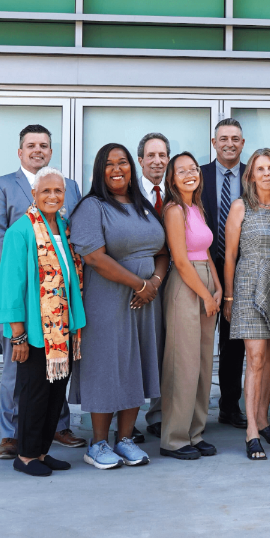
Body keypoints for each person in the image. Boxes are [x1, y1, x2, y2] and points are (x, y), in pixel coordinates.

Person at [0, 124, 85, 460]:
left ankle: (55, 428)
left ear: (51, 151)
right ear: (20, 151)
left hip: (59, 303)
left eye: (44, 145)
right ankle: (13, 435)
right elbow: (0, 240)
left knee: (57, 369)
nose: (37, 150)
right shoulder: (0, 186)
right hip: (22, 293)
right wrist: (34, 274)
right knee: (19, 367)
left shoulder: (68, 186)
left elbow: (74, 235)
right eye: (31, 145)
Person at [68, 143, 169, 470]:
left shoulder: (143, 206)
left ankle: (125, 439)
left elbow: (163, 251)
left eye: (122, 163)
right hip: (106, 301)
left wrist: (153, 282)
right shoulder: (92, 207)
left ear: (131, 167)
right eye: (109, 164)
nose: (117, 169)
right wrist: (139, 284)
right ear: (100, 170)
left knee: (136, 364)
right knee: (107, 366)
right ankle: (98, 443)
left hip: (145, 302)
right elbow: (95, 257)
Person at [223, 149, 270, 461]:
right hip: (248, 284)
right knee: (254, 357)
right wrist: (228, 296)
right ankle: (251, 429)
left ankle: (264, 418)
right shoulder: (240, 207)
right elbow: (229, 255)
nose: (266, 173)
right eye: (260, 169)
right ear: (251, 175)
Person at [157, 152, 221, 461]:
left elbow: (205, 250)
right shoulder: (174, 210)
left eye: (193, 168)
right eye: (181, 171)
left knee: (202, 363)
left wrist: (219, 287)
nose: (189, 174)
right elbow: (181, 261)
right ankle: (174, 438)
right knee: (182, 364)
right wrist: (206, 295)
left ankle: (195, 433)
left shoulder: (197, 207)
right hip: (186, 287)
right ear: (171, 179)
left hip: (206, 282)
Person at [200, 118, 248, 429]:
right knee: (198, 343)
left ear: (243, 144)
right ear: (214, 143)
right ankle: (192, 410)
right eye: (223, 138)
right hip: (202, 268)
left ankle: (230, 406)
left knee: (234, 344)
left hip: (242, 270)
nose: (229, 143)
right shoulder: (198, 176)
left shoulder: (255, 176)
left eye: (235, 138)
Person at [137, 132, 170, 439]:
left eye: (162, 155)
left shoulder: (177, 191)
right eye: (151, 155)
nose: (157, 161)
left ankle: (158, 413)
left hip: (173, 282)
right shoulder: (127, 192)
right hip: (137, 283)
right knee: (134, 346)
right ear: (140, 160)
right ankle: (126, 416)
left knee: (165, 348)